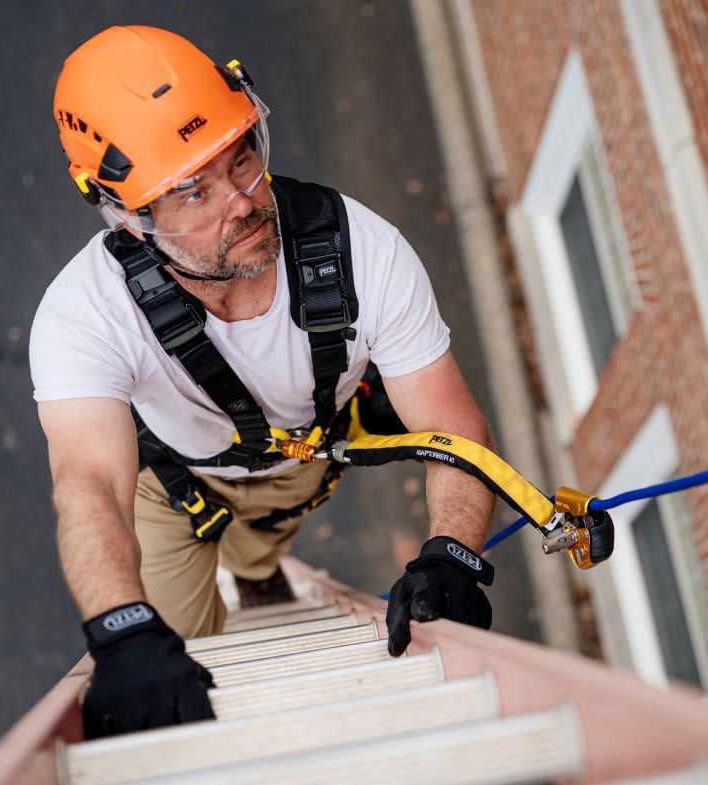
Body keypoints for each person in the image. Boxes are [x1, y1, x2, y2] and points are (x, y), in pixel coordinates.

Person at [31, 25, 497, 739]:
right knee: (179, 654)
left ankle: (253, 571)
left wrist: (454, 550)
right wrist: (121, 629)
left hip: (296, 462)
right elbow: (89, 480)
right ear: (129, 215)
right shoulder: (83, 314)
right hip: (173, 482)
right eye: (191, 191)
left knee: (260, 545)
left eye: (240, 156)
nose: (243, 202)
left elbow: (452, 424)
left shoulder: (362, 253)